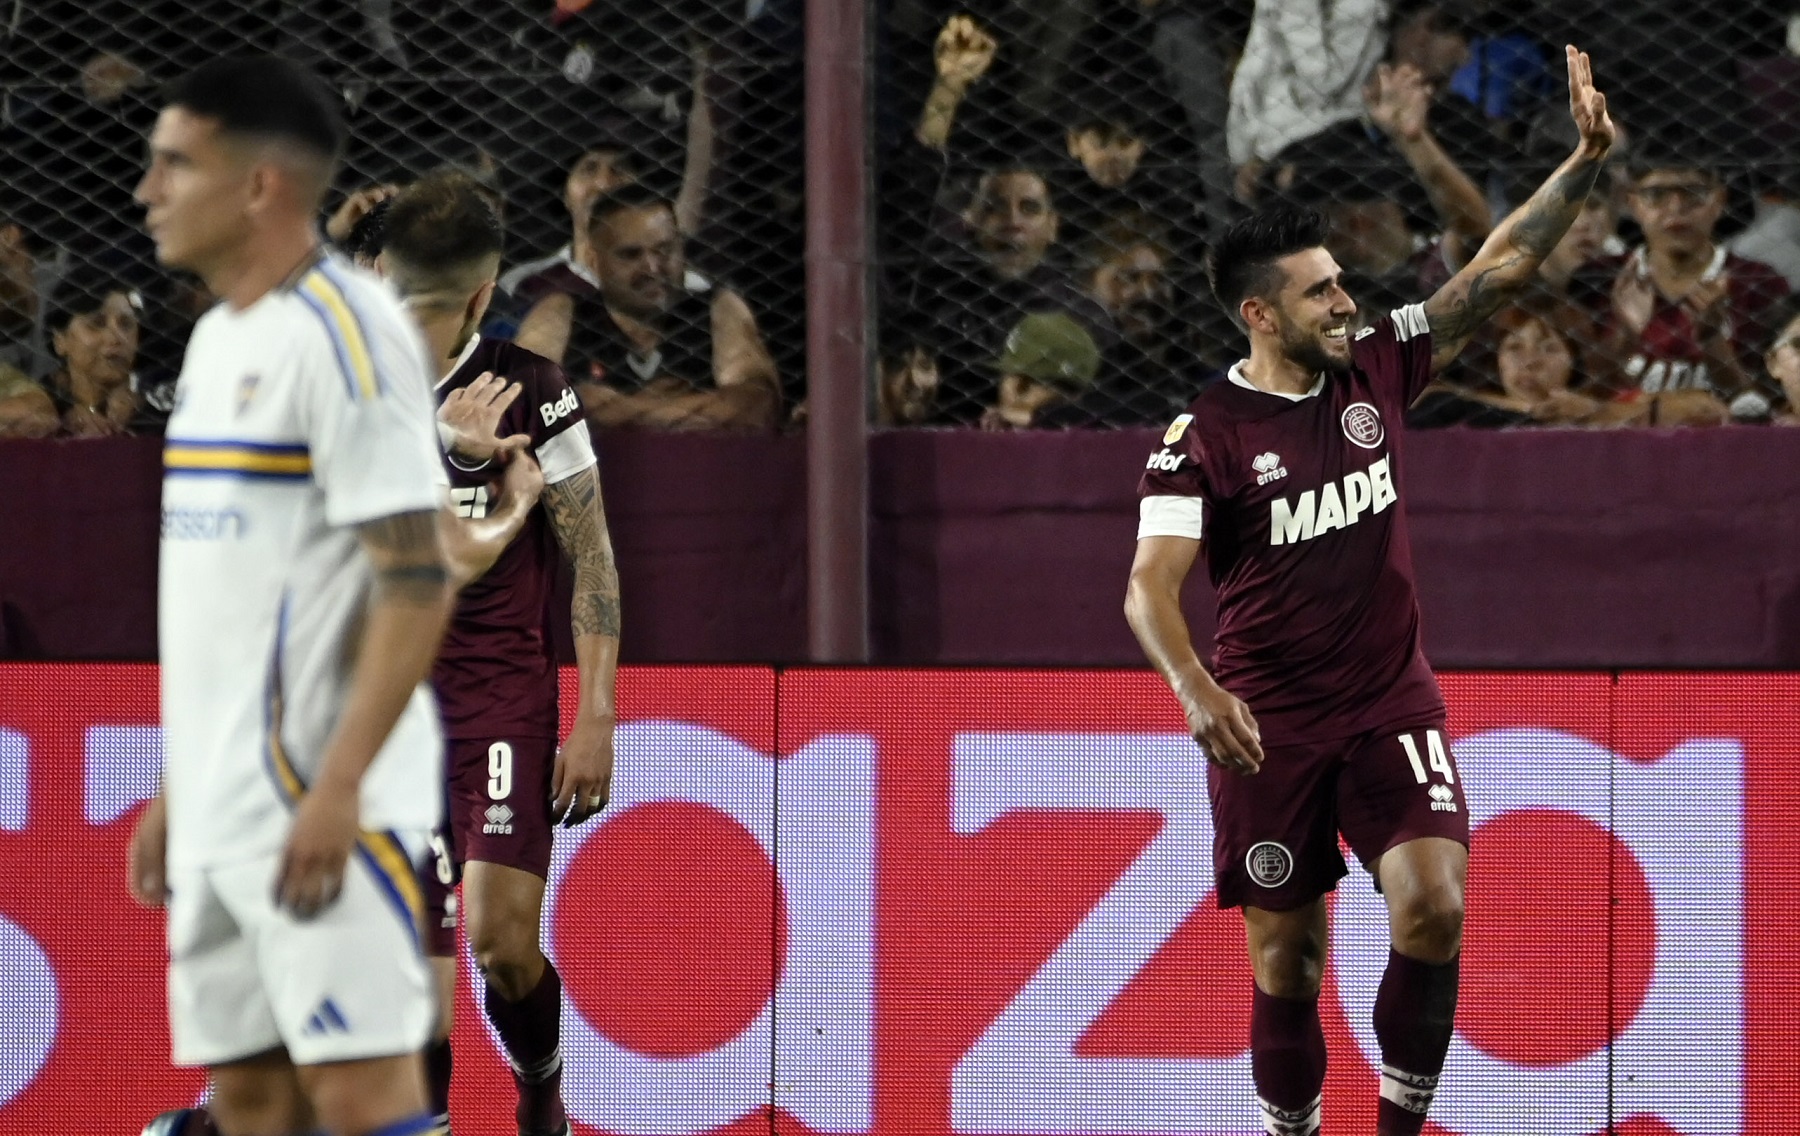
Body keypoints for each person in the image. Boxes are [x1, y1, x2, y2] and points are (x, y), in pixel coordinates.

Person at [1123, 47, 1615, 1136]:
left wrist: (1583, 163)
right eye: (1322, 291)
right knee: (1288, 961)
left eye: (1344, 280)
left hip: (1390, 699)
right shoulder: (1200, 436)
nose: (1348, 299)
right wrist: (1199, 692)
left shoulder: (1378, 364)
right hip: (1271, 723)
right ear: (1260, 313)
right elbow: (1148, 592)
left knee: (1435, 907)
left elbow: (1494, 272)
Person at [126, 56, 454, 1136]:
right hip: (225, 809)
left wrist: (340, 786)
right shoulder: (217, 343)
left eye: (175, 163)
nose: (146, 190)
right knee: (253, 1101)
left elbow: (416, 577)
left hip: (323, 802)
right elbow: (233, 599)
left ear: (261, 183)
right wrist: (185, 788)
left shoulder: (349, 332)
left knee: (363, 1097)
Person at [378, 171, 621, 1136]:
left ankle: (540, 1080)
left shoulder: (534, 390)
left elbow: (590, 549)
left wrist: (597, 712)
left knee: (500, 945)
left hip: (495, 702)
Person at [514, 184, 780, 431]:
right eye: (631, 254)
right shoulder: (561, 311)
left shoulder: (718, 307)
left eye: (665, 250)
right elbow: (524, 401)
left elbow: (756, 406)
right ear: (594, 262)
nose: (653, 268)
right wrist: (695, 407)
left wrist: (620, 409)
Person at [1602, 153, 1790, 418]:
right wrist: (1626, 335)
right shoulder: (1600, 278)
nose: (1676, 207)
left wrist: (1712, 340)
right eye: (1656, 194)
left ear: (1720, 201)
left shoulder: (1760, 284)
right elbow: (1584, 393)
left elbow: (1765, 405)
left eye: (1694, 192)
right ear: (1632, 204)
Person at [39, 267, 174, 436]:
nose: (116, 338)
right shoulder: (36, 410)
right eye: (97, 323)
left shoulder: (165, 412)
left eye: (126, 324)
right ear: (60, 340)